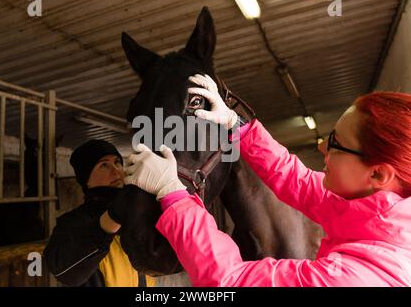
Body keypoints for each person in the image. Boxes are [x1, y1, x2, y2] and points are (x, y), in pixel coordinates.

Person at [124, 74, 411, 286]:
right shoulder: (383, 214)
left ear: (378, 173)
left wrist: (173, 194)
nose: (322, 147)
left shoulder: (360, 279)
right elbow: (296, 179)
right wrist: (238, 125)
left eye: (336, 143)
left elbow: (230, 281)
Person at [44, 139, 155, 287]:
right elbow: (63, 272)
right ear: (86, 179)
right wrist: (110, 219)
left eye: (117, 162)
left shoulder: (136, 214)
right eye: (104, 165)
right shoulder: (73, 222)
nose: (115, 170)